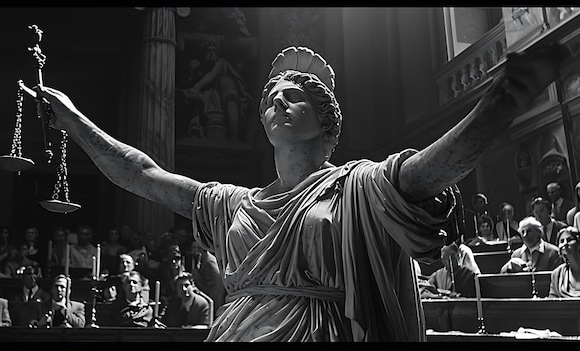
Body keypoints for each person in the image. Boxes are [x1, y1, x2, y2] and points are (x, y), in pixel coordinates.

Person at [36, 42, 567, 341]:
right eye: (271, 97)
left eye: (294, 97)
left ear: (326, 124)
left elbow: (431, 169)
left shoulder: (358, 188)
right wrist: (74, 120)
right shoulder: (231, 205)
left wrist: (502, 103)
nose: (277, 102)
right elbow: (140, 173)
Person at [190, 240, 226, 312]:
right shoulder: (202, 260)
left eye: (197, 247)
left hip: (214, 302)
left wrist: (197, 278)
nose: (194, 250)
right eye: (193, 248)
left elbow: (216, 285)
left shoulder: (209, 262)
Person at [549, 226, 580, 298]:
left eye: (569, 240)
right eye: (562, 241)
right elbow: (552, 302)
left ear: (579, 245)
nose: (565, 244)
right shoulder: (557, 274)